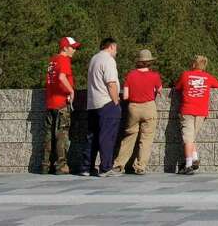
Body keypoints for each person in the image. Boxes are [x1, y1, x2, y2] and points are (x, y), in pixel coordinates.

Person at [111, 49, 162, 175]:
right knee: (146, 139)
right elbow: (159, 90)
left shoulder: (131, 75)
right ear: (150, 62)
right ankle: (140, 166)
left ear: (138, 62)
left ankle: (119, 164)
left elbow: (126, 96)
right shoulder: (155, 76)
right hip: (149, 107)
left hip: (133, 107)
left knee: (129, 136)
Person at [173, 55, 218, 175]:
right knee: (192, 137)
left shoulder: (186, 75)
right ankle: (194, 158)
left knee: (188, 138)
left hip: (188, 110)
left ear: (193, 64)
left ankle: (188, 165)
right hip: (201, 112)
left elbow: (177, 87)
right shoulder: (207, 77)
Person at [82, 37, 121, 177]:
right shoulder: (108, 60)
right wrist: (116, 100)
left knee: (91, 136)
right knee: (107, 136)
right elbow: (111, 82)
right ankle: (105, 167)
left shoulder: (94, 59)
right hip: (106, 102)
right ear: (111, 46)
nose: (116, 51)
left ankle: (87, 167)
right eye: (116, 48)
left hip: (93, 103)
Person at [44, 36, 80, 174]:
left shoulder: (52, 60)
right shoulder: (64, 60)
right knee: (62, 134)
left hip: (50, 102)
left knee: (48, 134)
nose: (74, 50)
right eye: (73, 47)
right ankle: (61, 166)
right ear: (65, 47)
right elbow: (61, 77)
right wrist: (71, 90)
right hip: (61, 103)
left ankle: (45, 165)